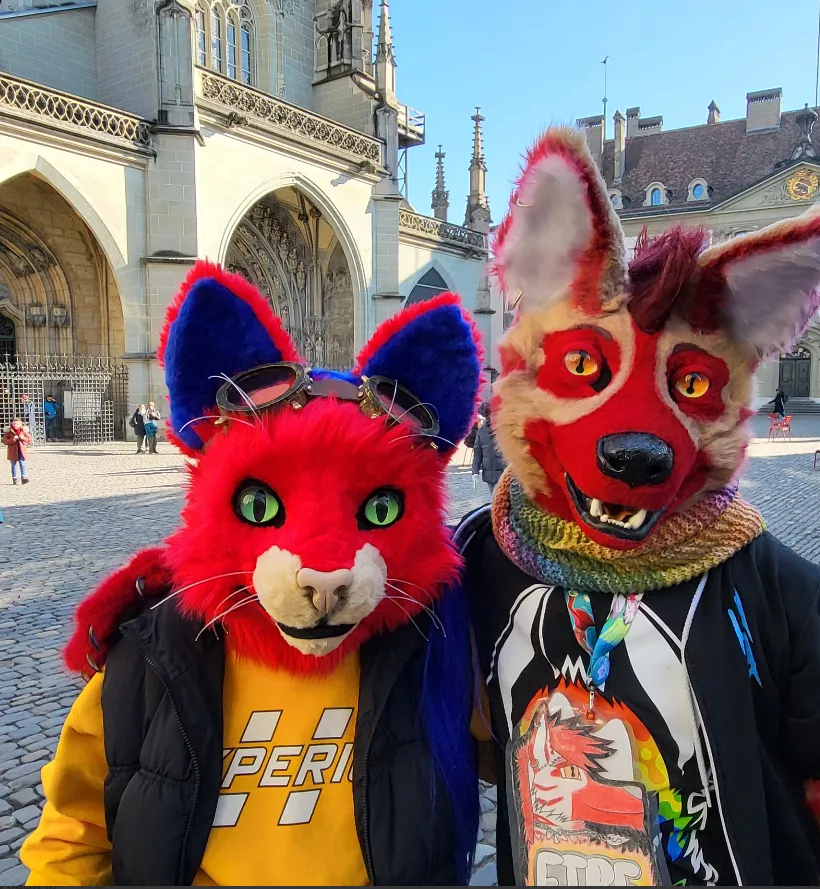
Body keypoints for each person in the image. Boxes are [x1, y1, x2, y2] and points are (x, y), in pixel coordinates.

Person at [458, 128, 820, 887]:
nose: (639, 437)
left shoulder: (775, 590)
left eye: (690, 384)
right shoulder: (481, 557)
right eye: (583, 365)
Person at [20, 262, 481, 887]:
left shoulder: (435, 648)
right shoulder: (151, 658)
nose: (324, 576)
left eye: (380, 510)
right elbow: (70, 838)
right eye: (259, 506)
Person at [471, 403, 505, 494]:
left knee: (499, 498)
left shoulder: (503, 429)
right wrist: (475, 472)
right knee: (494, 498)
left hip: (502, 474)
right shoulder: (481, 431)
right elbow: (477, 453)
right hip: (489, 475)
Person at [3, 417, 31, 485]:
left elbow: (29, 439)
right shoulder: (9, 432)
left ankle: (24, 478)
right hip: (12, 451)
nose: (15, 425)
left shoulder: (23, 431)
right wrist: (13, 439)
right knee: (14, 465)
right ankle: (15, 478)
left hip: (21, 451)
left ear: (20, 425)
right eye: (14, 424)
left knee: (22, 464)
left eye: (17, 424)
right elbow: (5, 441)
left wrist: (23, 438)